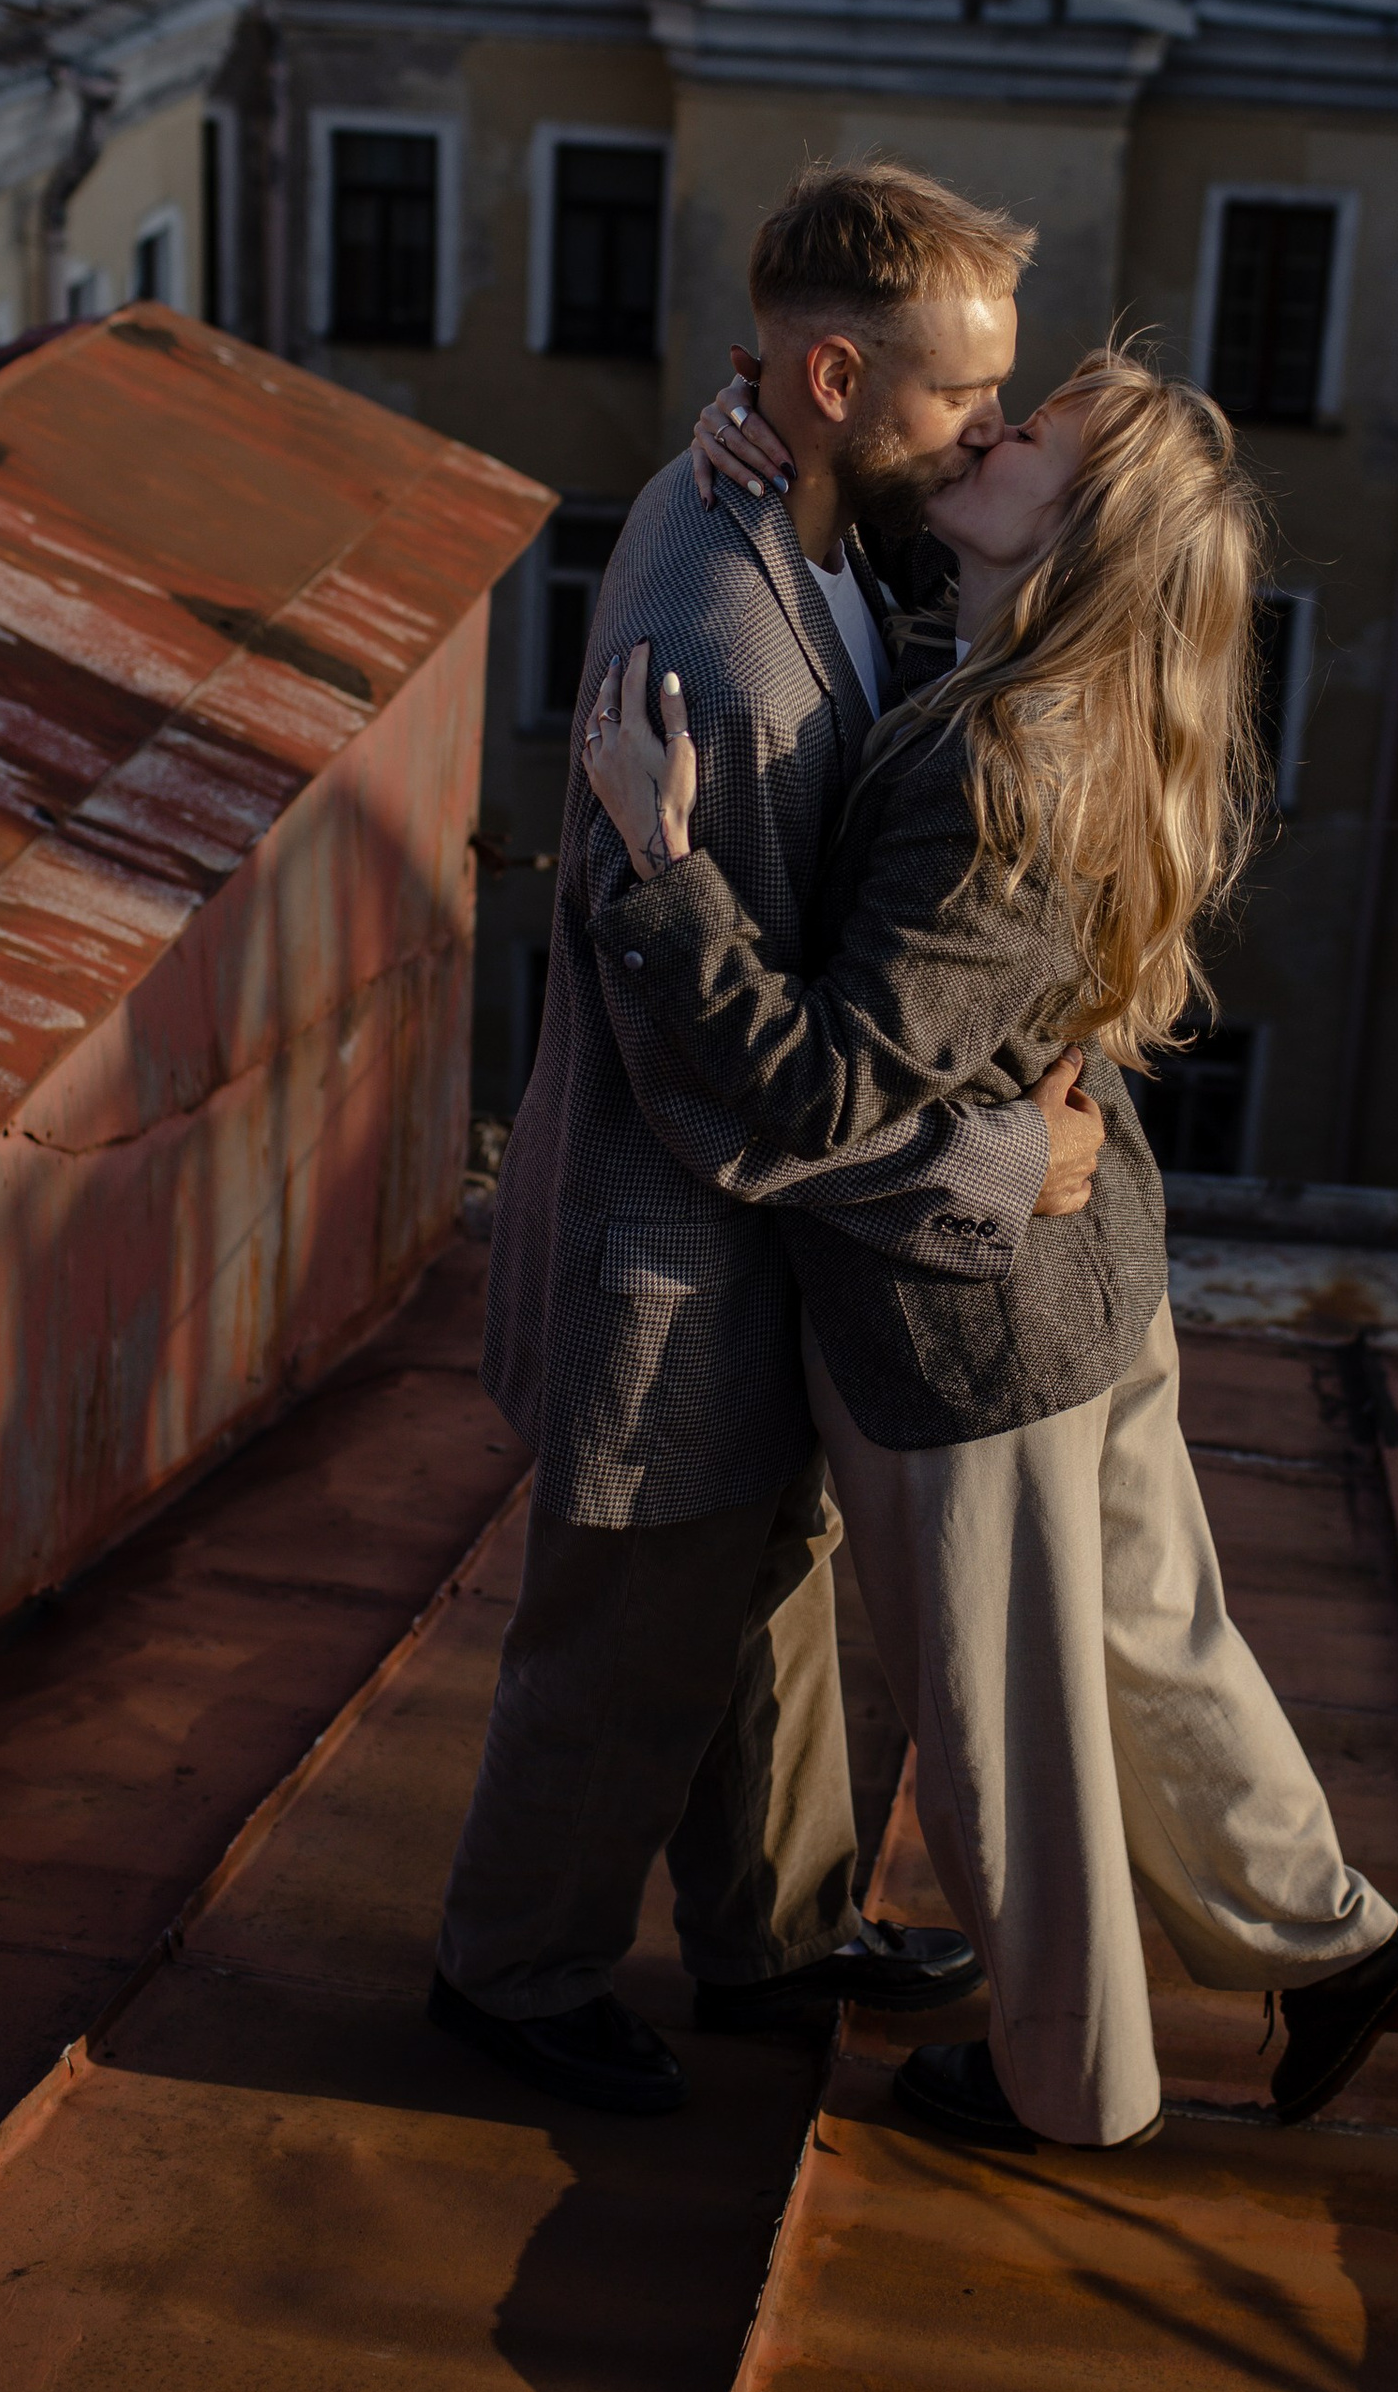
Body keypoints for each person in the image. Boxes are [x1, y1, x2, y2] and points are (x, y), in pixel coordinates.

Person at [579, 346, 1398, 2154]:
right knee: (1151, 1644)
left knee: (1009, 1738)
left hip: (964, 1331)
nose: (981, 431)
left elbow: (820, 1089)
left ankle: (1074, 2086)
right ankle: (1336, 1943)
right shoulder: (1047, 692)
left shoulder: (995, 768)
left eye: (1024, 435)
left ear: (1076, 532)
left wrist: (664, 881)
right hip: (1088, 1272)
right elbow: (864, 601)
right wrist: (749, 445)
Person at [434, 165, 1108, 2116]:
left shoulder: (778, 492)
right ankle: (510, 1972)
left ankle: (777, 1934)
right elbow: (715, 1080)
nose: (985, 430)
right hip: (669, 1257)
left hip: (757, 1263)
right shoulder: (714, 647)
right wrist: (1007, 1171)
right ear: (827, 375)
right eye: (952, 399)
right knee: (625, 1644)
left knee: (768, 1609)